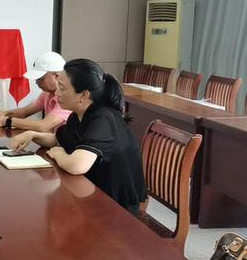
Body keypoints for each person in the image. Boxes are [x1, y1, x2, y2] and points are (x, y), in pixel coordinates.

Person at [11, 58, 146, 213]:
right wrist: (32, 135)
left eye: (62, 88)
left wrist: (59, 154)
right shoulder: (78, 114)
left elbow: (77, 165)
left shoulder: (103, 119)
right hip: (92, 191)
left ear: (83, 95)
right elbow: (58, 140)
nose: (56, 93)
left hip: (116, 208)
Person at [0, 51, 71, 132]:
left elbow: (43, 126)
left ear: (57, 76)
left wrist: (5, 121)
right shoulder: (47, 93)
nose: (37, 82)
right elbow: (25, 111)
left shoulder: (67, 97)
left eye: (41, 79)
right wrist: (3, 113)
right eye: (36, 79)